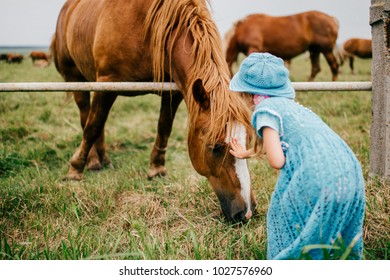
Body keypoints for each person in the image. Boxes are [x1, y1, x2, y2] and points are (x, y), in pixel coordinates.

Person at [228, 52, 365, 260]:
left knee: (283, 217)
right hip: (349, 171)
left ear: (247, 94)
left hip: (320, 177)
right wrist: (247, 153)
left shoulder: (264, 110)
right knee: (336, 241)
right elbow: (282, 142)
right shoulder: (293, 109)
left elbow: (277, 160)